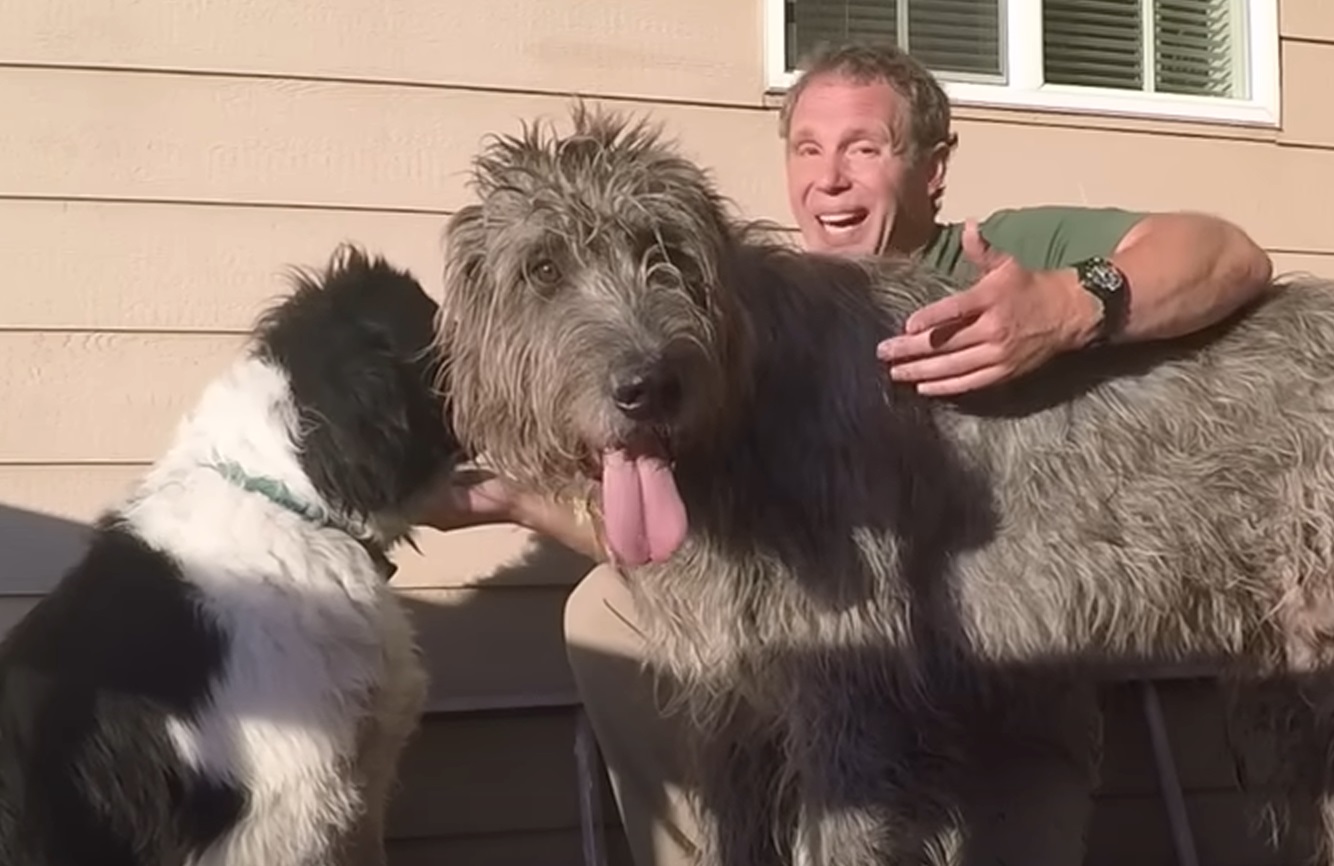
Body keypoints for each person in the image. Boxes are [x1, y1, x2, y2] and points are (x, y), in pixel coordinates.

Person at [421, 40, 1274, 865]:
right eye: (808, 148)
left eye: (864, 147)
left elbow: (1230, 254)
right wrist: (521, 500)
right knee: (609, 610)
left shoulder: (1006, 252)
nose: (830, 178)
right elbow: (677, 544)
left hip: (1016, 692)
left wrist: (1065, 305)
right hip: (842, 677)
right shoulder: (745, 307)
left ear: (932, 168)